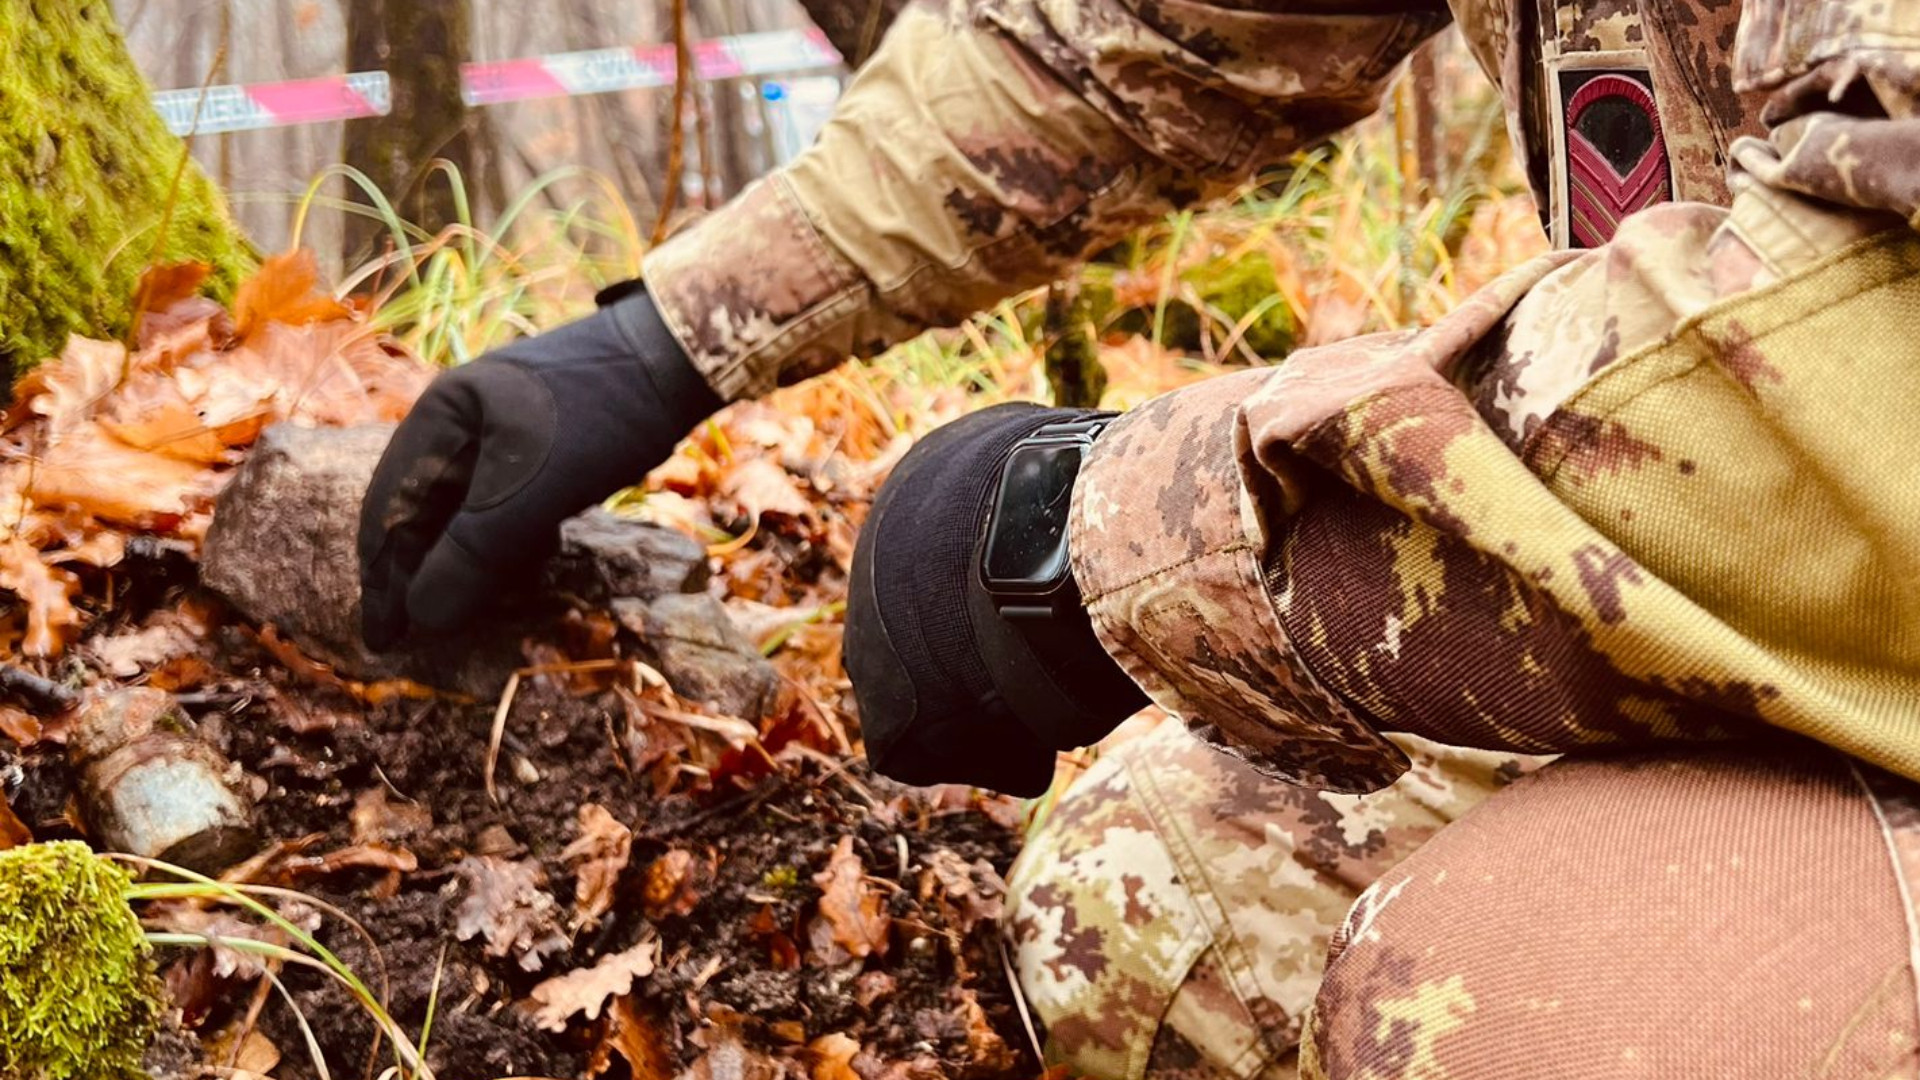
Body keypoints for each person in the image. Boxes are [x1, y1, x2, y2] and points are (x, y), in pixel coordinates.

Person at [357, 0, 1920, 1074]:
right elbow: (1144, 40)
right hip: (1788, 609)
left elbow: (1877, 359)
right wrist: (671, 337)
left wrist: (1110, 534)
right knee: (1160, 900)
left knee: (1526, 1013)